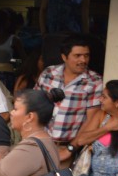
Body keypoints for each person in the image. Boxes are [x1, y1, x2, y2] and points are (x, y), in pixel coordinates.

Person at [35, 34, 103, 165]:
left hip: (65, 149)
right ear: (64, 57)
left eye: (86, 55)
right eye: (77, 56)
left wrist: (70, 148)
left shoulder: (94, 81)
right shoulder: (49, 73)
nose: (83, 60)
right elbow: (34, 105)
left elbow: (91, 120)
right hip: (39, 144)